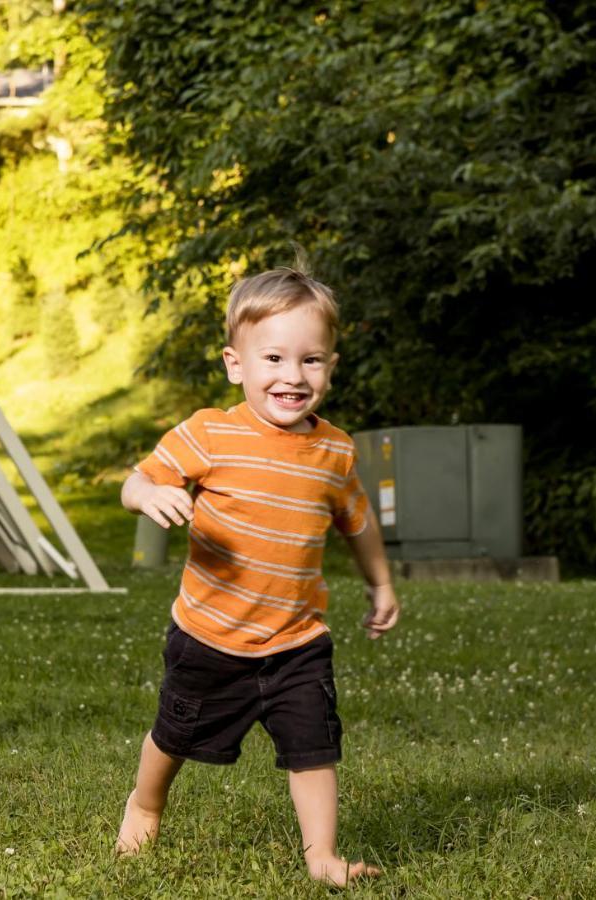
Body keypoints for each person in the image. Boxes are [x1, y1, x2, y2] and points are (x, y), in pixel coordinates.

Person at [116, 266, 401, 887]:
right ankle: (145, 803)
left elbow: (358, 524)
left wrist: (380, 583)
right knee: (175, 733)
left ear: (330, 365)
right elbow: (136, 479)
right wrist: (148, 498)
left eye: (311, 360)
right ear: (235, 364)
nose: (292, 376)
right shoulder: (211, 433)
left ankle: (321, 857)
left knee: (314, 745)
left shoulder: (335, 451)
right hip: (210, 636)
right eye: (273, 357)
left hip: (297, 639)